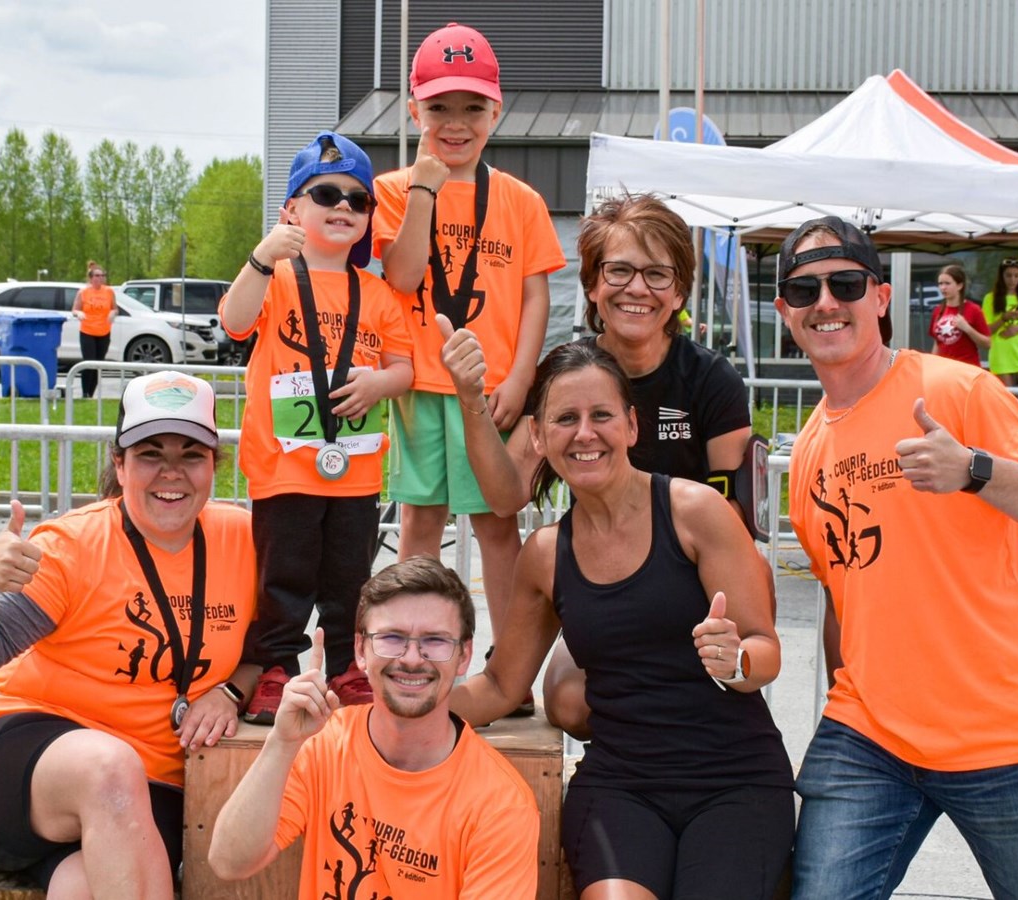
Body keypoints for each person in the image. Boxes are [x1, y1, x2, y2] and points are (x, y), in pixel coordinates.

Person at [772, 216, 1018, 900]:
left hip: (1002, 737)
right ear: (785, 311)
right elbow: (845, 598)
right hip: (870, 735)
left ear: (881, 298)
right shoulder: (807, 451)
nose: (826, 303)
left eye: (845, 284)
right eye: (805, 291)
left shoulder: (954, 392)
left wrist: (976, 470)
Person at [447, 341, 795, 899]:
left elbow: (764, 650)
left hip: (736, 780)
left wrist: (737, 660)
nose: (585, 433)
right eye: (565, 419)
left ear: (632, 426)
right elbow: (498, 686)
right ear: (538, 437)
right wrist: (387, 708)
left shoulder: (696, 512)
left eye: (601, 415)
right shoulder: (544, 554)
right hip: (621, 786)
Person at [440, 193, 754, 740]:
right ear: (591, 284)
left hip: (689, 590)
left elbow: (736, 517)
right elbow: (504, 494)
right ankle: (625, 777)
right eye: (620, 271)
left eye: (658, 274)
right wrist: (471, 400)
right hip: (604, 585)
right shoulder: (571, 372)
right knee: (565, 701)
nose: (637, 289)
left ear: (680, 291)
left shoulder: (711, 381)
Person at [0, 370, 259, 898]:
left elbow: (276, 647)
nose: (171, 474)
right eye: (151, 454)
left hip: (153, 790)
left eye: (191, 455)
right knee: (109, 767)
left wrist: (230, 690)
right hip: (23, 768)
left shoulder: (243, 540)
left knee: (86, 885)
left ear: (214, 466)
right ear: (119, 463)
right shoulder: (75, 544)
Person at [373, 22, 566, 710]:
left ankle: (505, 664)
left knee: (495, 524)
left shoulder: (519, 199)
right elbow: (401, 274)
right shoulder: (393, 189)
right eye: (439, 109)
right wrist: (425, 189)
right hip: (420, 386)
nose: (455, 125)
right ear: (414, 110)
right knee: (420, 522)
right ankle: (411, 651)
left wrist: (520, 379)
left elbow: (538, 290)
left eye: (472, 109)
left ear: (497, 111)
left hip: (491, 395)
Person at [221, 132, 416, 725]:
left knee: (349, 580)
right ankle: (275, 667)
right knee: (283, 578)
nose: (343, 207)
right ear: (291, 211)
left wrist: (380, 384)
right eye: (325, 194)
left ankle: (346, 667)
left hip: (353, 473)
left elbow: (404, 367)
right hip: (283, 469)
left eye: (359, 201)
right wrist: (261, 257)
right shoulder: (277, 278)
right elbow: (233, 321)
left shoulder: (377, 293)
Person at [206, 558, 541, 898]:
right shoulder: (325, 742)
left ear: (464, 655)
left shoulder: (501, 804)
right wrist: (281, 743)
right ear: (360, 650)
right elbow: (229, 862)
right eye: (392, 638)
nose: (412, 658)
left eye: (435, 641)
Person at [984, 258, 1018, 406]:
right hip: (1001, 352)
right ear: (1001, 276)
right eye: (1008, 275)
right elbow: (986, 330)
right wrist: (1004, 318)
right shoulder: (990, 298)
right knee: (1007, 399)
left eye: (1016, 276)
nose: (1012, 280)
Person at [928, 263, 989, 367]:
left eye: (947, 283)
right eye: (940, 283)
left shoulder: (973, 309)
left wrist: (968, 329)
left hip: (967, 368)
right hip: (944, 369)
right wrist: (931, 365)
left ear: (960, 285)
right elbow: (937, 343)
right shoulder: (938, 311)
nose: (943, 287)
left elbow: (988, 343)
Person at [73, 261, 117, 399]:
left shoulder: (109, 291)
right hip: (87, 331)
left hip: (104, 331)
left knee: (98, 364)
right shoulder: (84, 292)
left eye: (102, 275)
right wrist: (79, 314)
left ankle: (91, 394)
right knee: (89, 362)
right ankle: (85, 393)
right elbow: (75, 309)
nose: (100, 278)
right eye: (97, 275)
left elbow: (115, 308)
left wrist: (113, 313)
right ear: (91, 278)